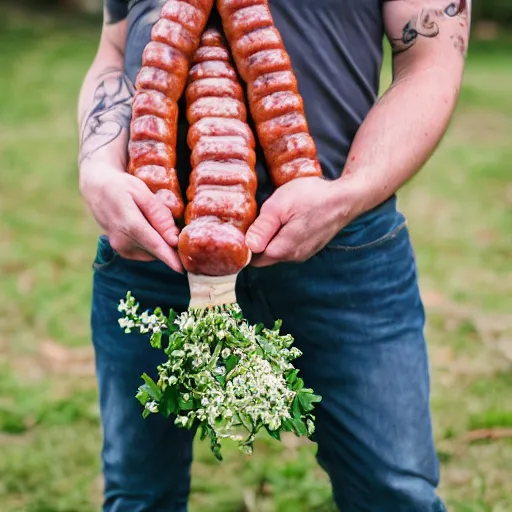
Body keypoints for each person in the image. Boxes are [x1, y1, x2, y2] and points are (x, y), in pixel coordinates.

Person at [78, 0, 471, 510]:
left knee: (392, 493)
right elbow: (113, 48)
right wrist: (97, 167)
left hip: (342, 243)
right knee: (138, 496)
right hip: (150, 246)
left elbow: (432, 59)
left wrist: (348, 194)